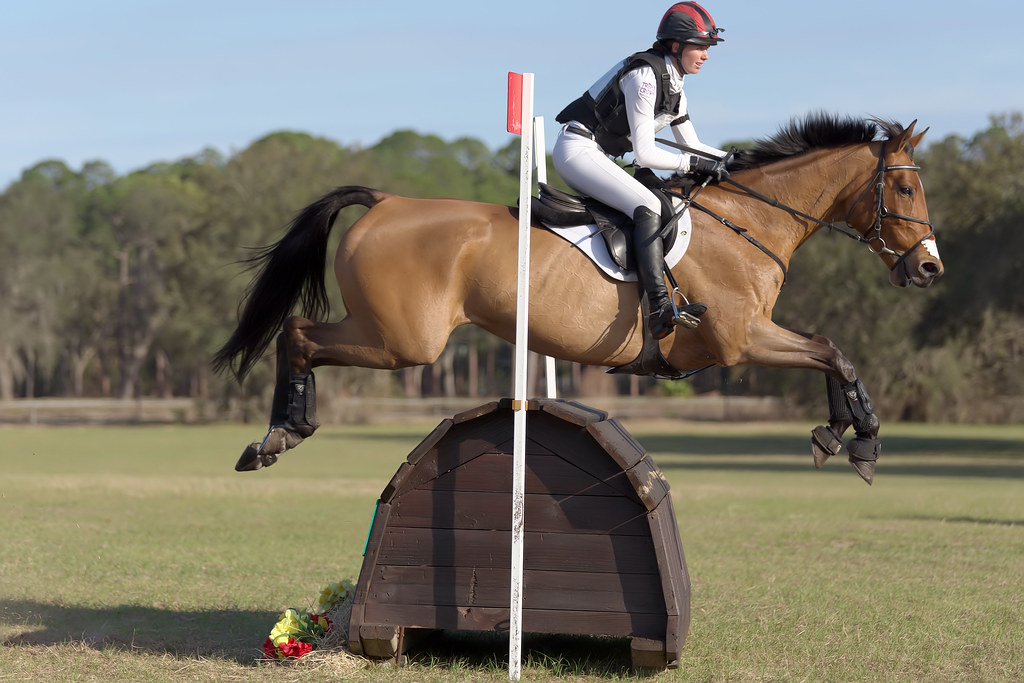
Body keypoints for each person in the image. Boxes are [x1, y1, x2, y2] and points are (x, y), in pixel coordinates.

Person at [553, 2, 730, 339]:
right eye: (700, 47)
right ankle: (659, 307)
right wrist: (694, 164)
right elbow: (646, 153)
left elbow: (693, 145)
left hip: (598, 154)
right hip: (577, 150)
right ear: (676, 46)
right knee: (647, 205)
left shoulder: (675, 88)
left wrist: (742, 160)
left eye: (707, 48)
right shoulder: (645, 77)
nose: (706, 55)